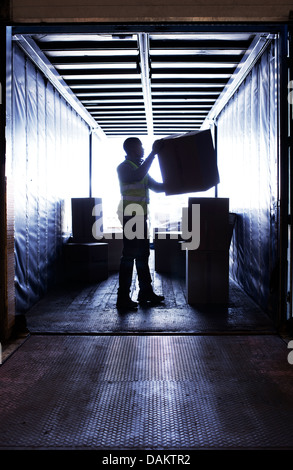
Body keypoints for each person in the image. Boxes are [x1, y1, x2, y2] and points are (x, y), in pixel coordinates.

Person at [116, 137, 165, 310]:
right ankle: (122, 298)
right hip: (130, 217)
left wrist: (178, 182)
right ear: (132, 149)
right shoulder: (124, 168)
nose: (143, 149)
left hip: (140, 217)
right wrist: (154, 153)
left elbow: (158, 187)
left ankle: (145, 292)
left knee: (143, 255)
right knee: (129, 256)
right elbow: (137, 176)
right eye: (141, 147)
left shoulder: (140, 168)